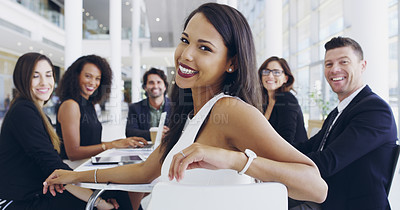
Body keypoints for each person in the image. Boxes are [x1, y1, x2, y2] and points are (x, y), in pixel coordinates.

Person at [43, 2, 327, 205]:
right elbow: (143, 171)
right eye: (184, 40)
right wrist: (75, 175)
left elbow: (316, 187)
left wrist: (234, 160)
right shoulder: (189, 114)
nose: (185, 54)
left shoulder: (230, 110)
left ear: (232, 63)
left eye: (204, 48)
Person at [0, 52, 117, 209]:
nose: (44, 82)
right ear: (22, 78)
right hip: (18, 201)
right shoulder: (23, 111)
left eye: (48, 75)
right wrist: (98, 202)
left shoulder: (38, 114)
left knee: (114, 194)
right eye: (35, 76)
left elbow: (53, 168)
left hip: (40, 192)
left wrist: (97, 198)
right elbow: (53, 164)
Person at [292, 37, 398, 209]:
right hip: (326, 199)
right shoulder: (339, 111)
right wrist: (263, 150)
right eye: (328, 64)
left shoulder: (375, 110)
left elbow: (327, 162)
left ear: (362, 66)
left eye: (344, 62)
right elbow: (309, 147)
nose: (335, 69)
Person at [56, 54, 148, 161]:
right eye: (88, 76)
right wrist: (111, 145)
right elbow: (73, 153)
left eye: (97, 78)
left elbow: (91, 144)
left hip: (88, 163)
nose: (93, 83)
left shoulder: (89, 104)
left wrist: (121, 142)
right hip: (73, 168)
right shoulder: (70, 105)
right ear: (76, 76)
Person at [258, 56, 307, 145]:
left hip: (292, 156)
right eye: (266, 71)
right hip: (273, 154)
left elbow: (286, 141)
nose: (270, 76)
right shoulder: (265, 102)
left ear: (285, 78)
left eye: (276, 72)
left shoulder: (287, 98)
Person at [125, 67, 171, 141]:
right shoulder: (135, 108)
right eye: (151, 82)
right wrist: (156, 134)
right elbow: (130, 132)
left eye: (159, 82)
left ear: (165, 86)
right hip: (144, 149)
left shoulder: (176, 107)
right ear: (145, 87)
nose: (155, 86)